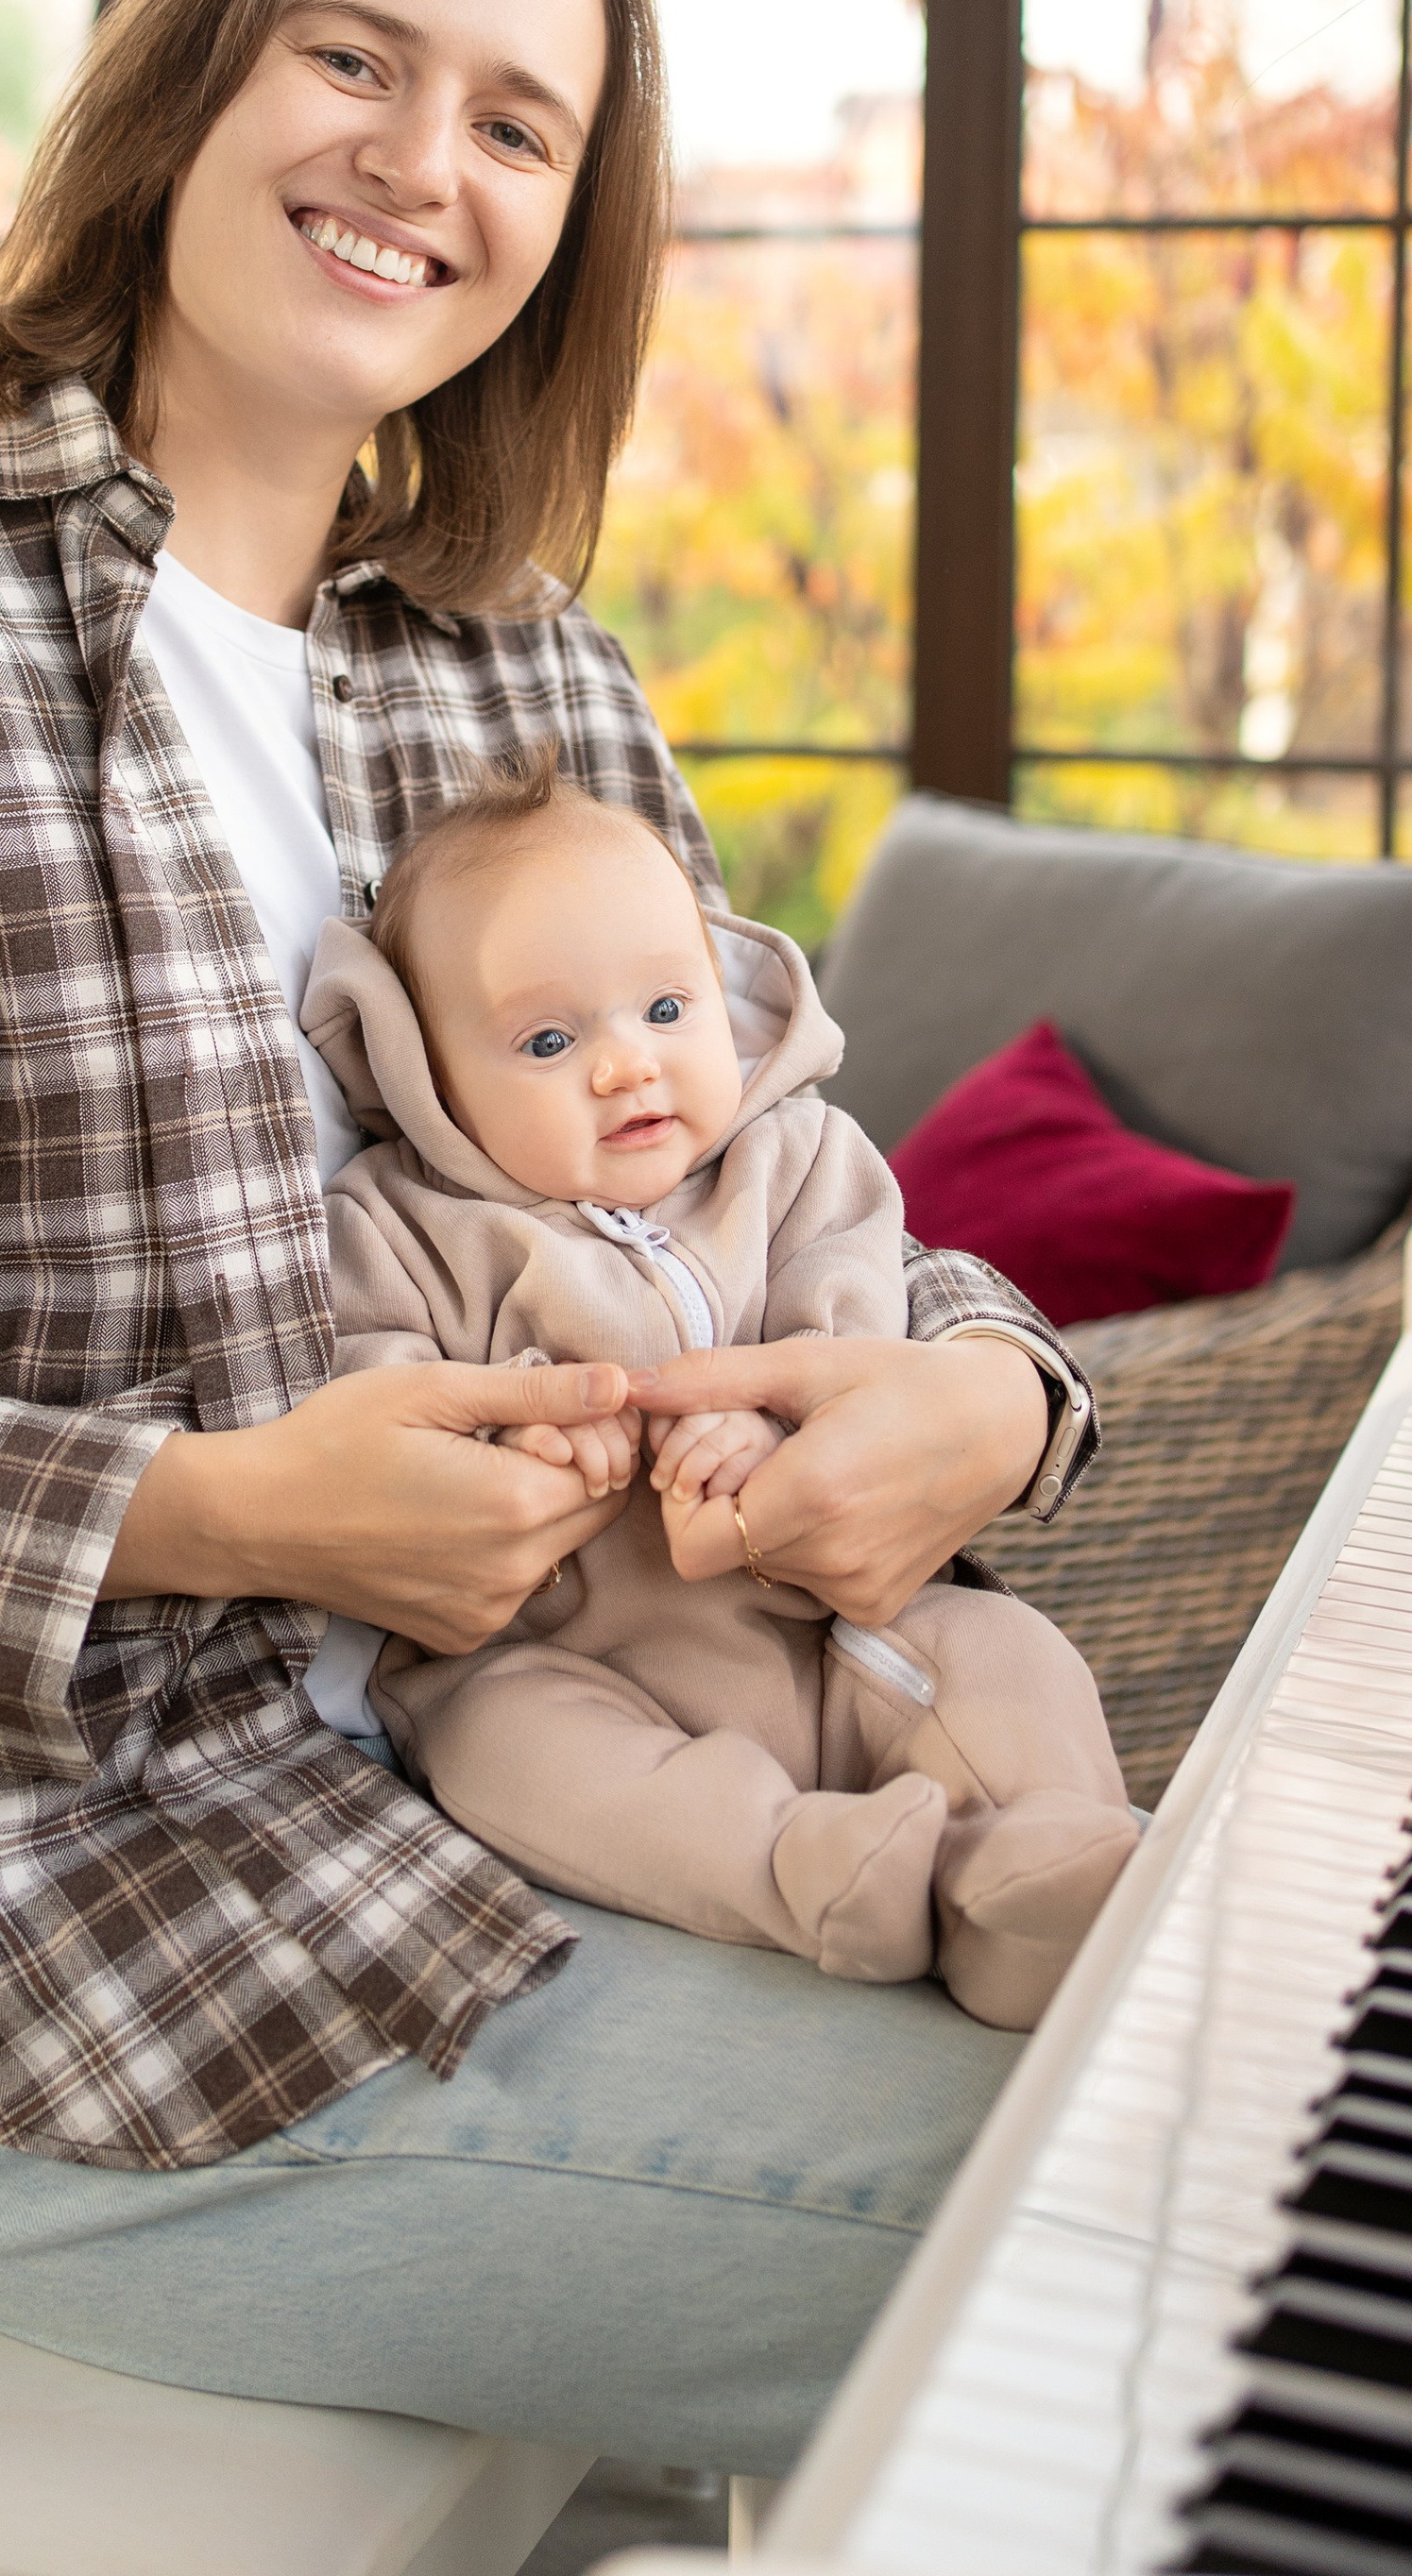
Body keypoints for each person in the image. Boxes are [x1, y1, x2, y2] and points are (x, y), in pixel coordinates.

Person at [0, 0, 1098, 2479]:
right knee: (1154, 2264)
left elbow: (793, 1189)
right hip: (37, 1954)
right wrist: (219, 1513)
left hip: (617, 1789)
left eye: (520, 123)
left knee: (1232, 2106)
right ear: (193, 89)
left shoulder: (521, 682)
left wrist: (994, 1411)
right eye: (353, 55)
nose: (421, 162)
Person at [303, 756, 1137, 2026]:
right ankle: (808, 1872)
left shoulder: (795, 1159)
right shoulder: (406, 1227)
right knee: (503, 1753)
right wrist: (525, 1429)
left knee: (1004, 1654)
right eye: (547, 1038)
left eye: (666, 1008)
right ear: (425, 1072)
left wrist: (782, 1420)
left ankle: (1038, 1870)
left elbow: (862, 1300)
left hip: (833, 1617)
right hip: (573, 1653)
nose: (628, 1067)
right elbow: (371, 1379)